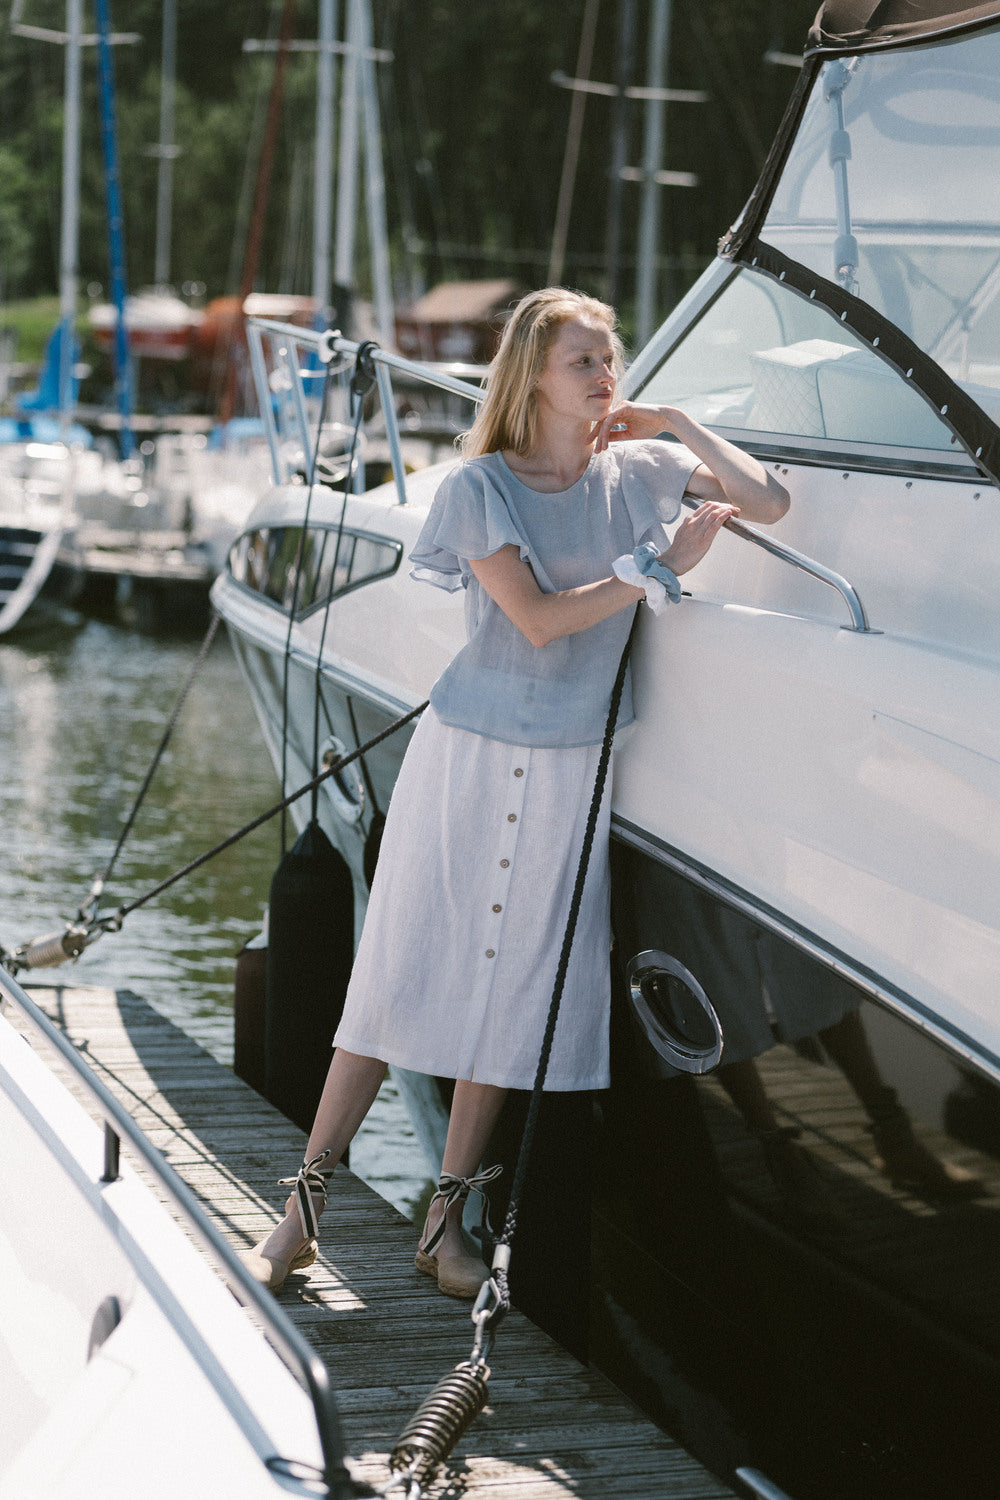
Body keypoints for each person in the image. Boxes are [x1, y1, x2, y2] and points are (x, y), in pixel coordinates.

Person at [244, 286, 790, 1299]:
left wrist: (675, 419)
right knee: (399, 969)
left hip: (574, 765)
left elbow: (768, 503)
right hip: (469, 754)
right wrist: (656, 565)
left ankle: (445, 1225)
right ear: (532, 373)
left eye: (610, 357)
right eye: (583, 359)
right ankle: (300, 1212)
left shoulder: (641, 468)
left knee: (515, 991)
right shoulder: (479, 487)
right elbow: (536, 620)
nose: (605, 374)